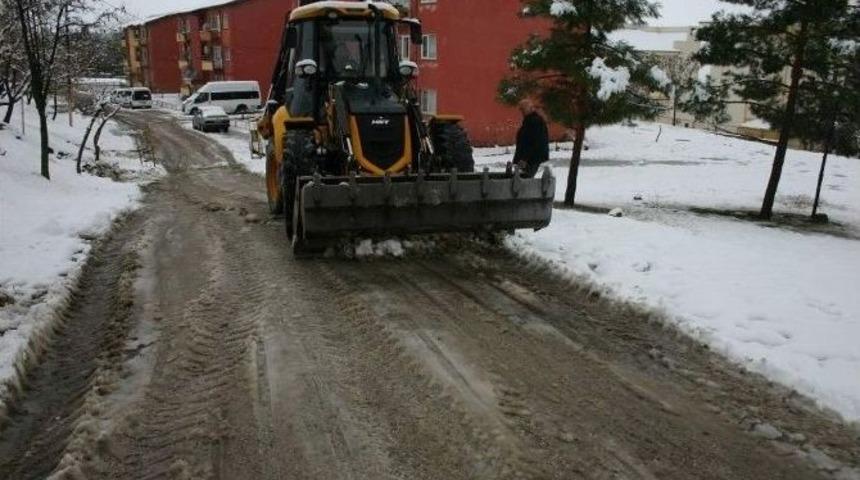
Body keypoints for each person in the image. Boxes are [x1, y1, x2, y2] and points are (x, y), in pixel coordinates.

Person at [512, 99, 549, 178]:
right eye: (521, 109)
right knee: (523, 178)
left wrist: (525, 158)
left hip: (532, 158)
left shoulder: (534, 121)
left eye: (523, 109)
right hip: (529, 158)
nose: (522, 112)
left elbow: (534, 142)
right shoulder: (529, 120)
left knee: (525, 179)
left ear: (530, 108)